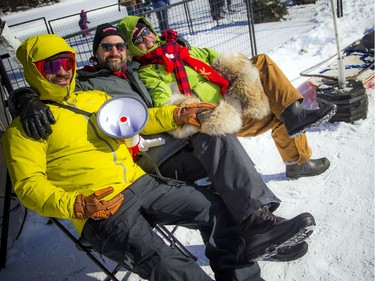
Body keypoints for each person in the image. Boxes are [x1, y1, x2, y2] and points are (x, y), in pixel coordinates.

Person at [2, 33, 316, 281]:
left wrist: (179, 112)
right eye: (51, 67)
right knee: (165, 262)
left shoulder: (97, 97)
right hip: (100, 207)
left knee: (217, 209)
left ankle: (251, 253)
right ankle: (257, 228)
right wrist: (76, 205)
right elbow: (28, 186)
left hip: (143, 183)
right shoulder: (28, 127)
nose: (62, 73)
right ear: (35, 71)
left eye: (65, 64)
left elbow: (143, 117)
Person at [118, 15, 337, 179]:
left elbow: (216, 59)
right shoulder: (149, 72)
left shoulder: (179, 48)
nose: (146, 38)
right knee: (280, 110)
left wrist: (235, 72)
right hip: (218, 114)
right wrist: (199, 110)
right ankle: (296, 146)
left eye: (146, 31)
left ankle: (294, 123)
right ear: (132, 47)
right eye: (137, 38)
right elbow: (165, 103)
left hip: (233, 93)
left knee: (262, 62)